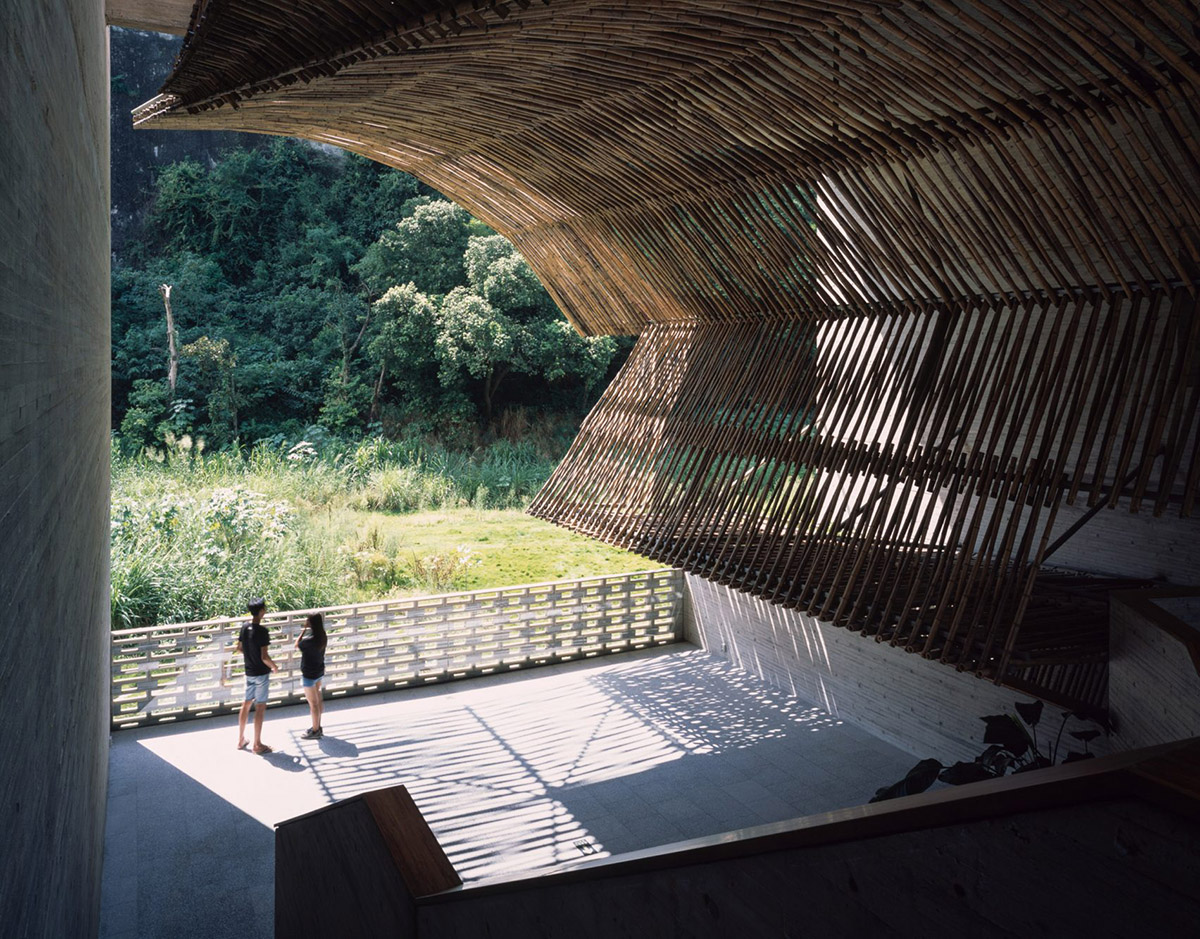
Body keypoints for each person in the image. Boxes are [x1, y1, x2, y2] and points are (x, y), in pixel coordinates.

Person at [235, 597, 277, 754]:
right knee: (260, 707)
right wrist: (274, 667)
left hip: (249, 672)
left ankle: (240, 739)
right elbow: (264, 657)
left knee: (246, 704)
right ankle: (257, 744)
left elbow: (239, 648)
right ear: (261, 611)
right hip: (261, 674)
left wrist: (250, 655)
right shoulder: (262, 631)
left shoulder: (244, 627)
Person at [295, 612, 327, 739]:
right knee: (318, 698)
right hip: (319, 671)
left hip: (309, 675)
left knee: (312, 704)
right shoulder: (323, 637)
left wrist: (303, 630)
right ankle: (318, 726)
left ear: (310, 623)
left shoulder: (308, 642)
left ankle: (315, 731)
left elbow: (297, 644)